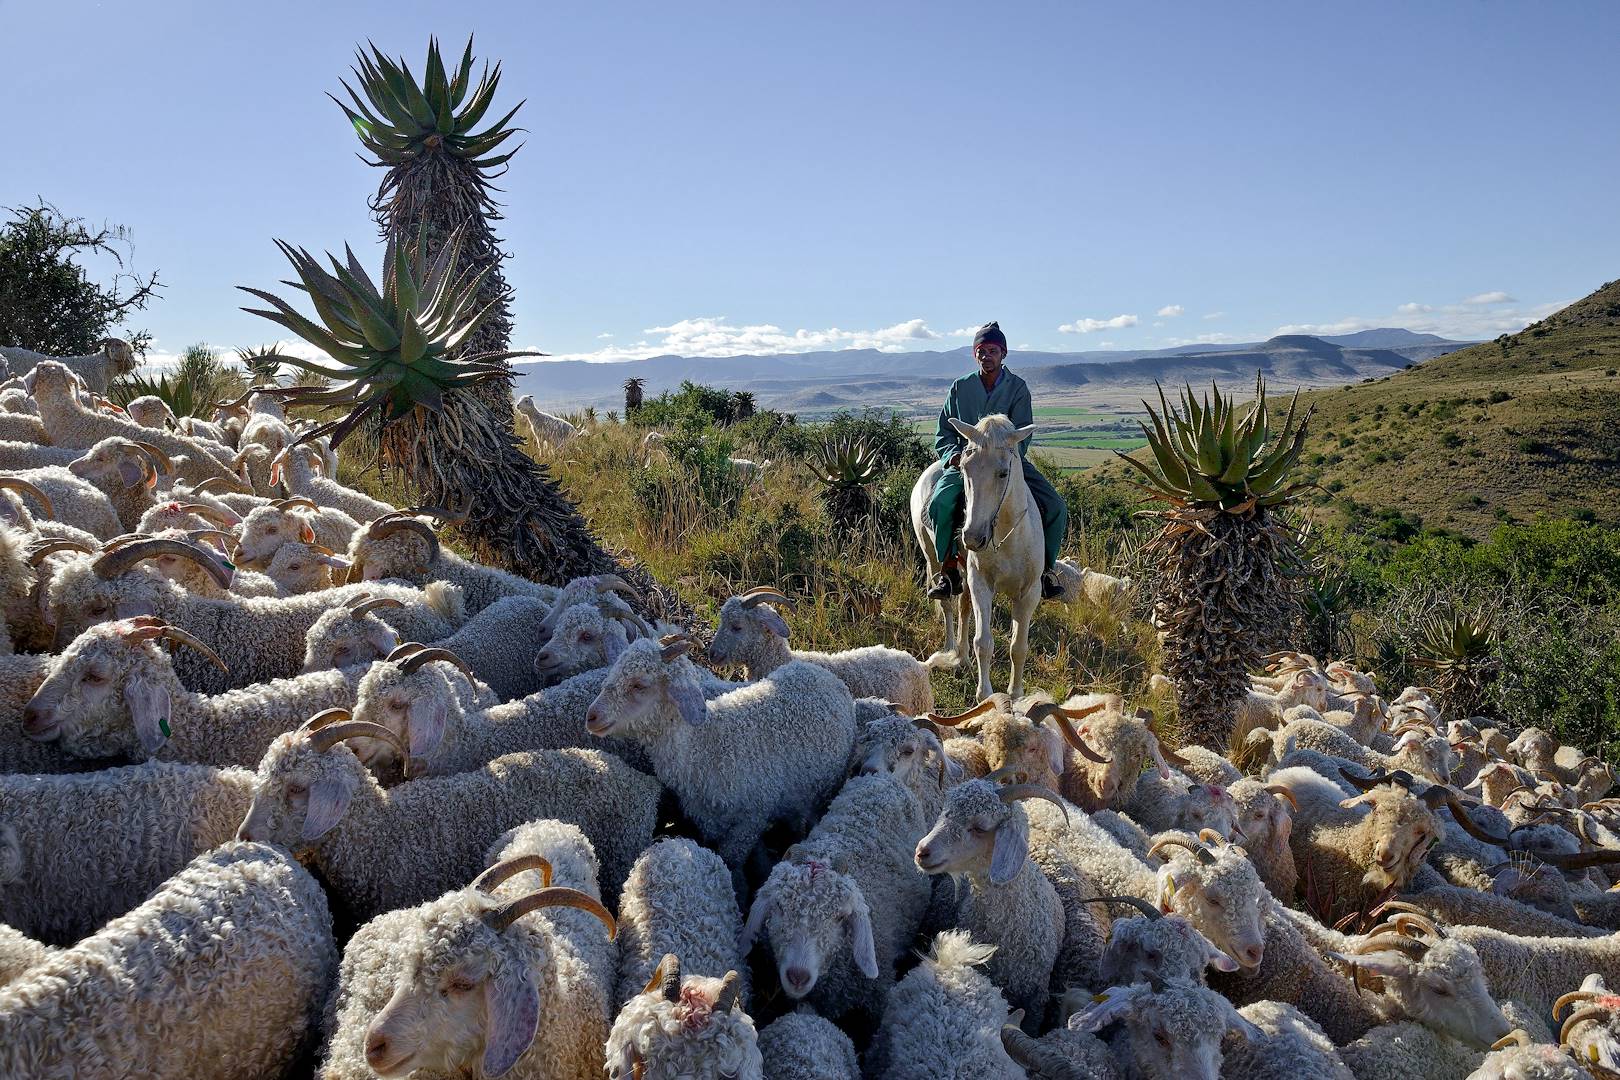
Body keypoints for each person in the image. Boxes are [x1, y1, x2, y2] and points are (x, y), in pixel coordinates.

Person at [927, 321, 1068, 601]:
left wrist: (1007, 461)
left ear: (1003, 353)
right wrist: (952, 455)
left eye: (992, 351)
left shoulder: (1017, 388)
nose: (986, 356)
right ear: (974, 354)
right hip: (969, 463)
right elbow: (944, 431)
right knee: (940, 503)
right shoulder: (960, 387)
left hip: (1007, 464)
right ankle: (948, 569)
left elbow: (1022, 434)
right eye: (981, 351)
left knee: (1055, 507)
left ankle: (1045, 570)